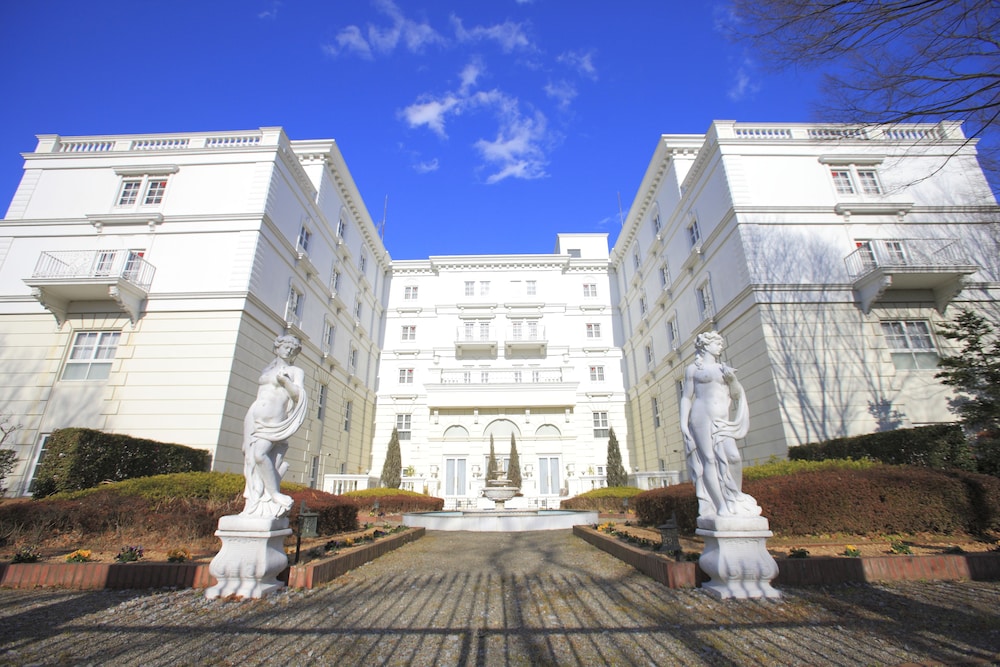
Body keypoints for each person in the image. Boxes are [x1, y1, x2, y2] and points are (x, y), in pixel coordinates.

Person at [679, 331, 760, 519]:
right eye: (717, 343)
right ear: (706, 345)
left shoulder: (725, 369)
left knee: (733, 457)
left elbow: (736, 394)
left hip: (722, 420)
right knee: (709, 460)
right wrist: (683, 423)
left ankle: (735, 497)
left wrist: (733, 380)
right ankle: (720, 505)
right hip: (700, 417)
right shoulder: (693, 370)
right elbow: (686, 397)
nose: (720, 346)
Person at [242, 334, 308, 518]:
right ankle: (255, 501)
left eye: (292, 348)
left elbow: (298, 395)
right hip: (254, 415)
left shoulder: (295, 372)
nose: (288, 350)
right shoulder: (267, 369)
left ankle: (274, 494)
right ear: (277, 348)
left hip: (273, 420)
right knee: (250, 460)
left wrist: (286, 381)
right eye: (285, 346)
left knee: (260, 454)